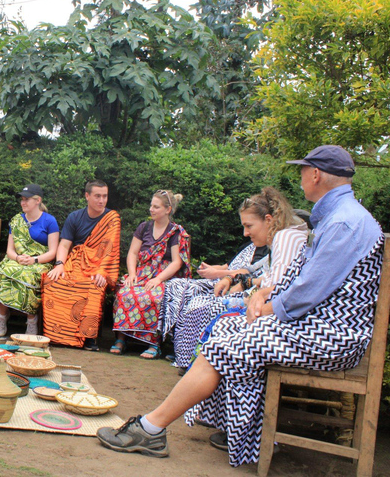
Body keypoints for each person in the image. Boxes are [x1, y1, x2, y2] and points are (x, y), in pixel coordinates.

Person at [96, 146, 383, 467]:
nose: (301, 177)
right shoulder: (342, 217)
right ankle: (237, 429)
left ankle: (150, 429)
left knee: (229, 341)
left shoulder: (345, 222)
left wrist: (265, 308)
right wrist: (264, 293)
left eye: (303, 170)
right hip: (318, 325)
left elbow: (309, 291)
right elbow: (311, 279)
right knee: (226, 327)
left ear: (315, 174)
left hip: (333, 336)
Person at [170, 187, 308, 372]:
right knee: (200, 302)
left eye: (249, 226)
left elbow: (278, 286)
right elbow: (259, 272)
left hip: (270, 309)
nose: (245, 233)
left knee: (210, 307)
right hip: (261, 299)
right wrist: (232, 279)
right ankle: (191, 363)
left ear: (268, 220)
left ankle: (197, 368)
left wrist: (246, 286)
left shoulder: (285, 238)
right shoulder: (277, 239)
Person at [160, 242, 268, 370]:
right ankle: (180, 347)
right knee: (176, 285)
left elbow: (247, 273)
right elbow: (225, 267)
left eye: (249, 226)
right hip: (222, 281)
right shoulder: (248, 246)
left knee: (196, 299)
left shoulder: (270, 249)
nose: (246, 233)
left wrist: (218, 274)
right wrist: (210, 269)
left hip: (235, 288)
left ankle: (190, 355)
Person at [111, 190, 191, 358]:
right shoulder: (144, 227)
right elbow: (133, 253)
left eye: (156, 207)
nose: (151, 210)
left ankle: (153, 343)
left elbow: (177, 262)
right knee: (125, 292)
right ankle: (121, 339)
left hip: (164, 276)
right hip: (141, 273)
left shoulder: (175, 232)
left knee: (155, 297)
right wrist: (132, 274)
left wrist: (158, 279)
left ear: (167, 209)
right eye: (151, 206)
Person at [43, 180, 121, 350]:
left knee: (94, 286)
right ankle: (56, 335)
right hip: (76, 264)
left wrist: (102, 271)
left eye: (105, 196)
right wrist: (59, 265)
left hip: (99, 267)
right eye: (97, 196)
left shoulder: (112, 219)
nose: (101, 200)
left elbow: (110, 250)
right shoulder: (75, 217)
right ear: (87, 196)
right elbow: (64, 245)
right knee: (52, 283)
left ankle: (88, 338)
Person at [0, 184, 60, 336]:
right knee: (5, 272)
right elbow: (10, 250)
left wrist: (34, 260)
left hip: (40, 262)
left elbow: (53, 252)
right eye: (22, 199)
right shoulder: (16, 221)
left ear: (38, 201)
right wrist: (17, 258)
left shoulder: (49, 221)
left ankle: (31, 320)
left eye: (27, 199)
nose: (23, 202)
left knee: (28, 275)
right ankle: (2, 316)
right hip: (17, 260)